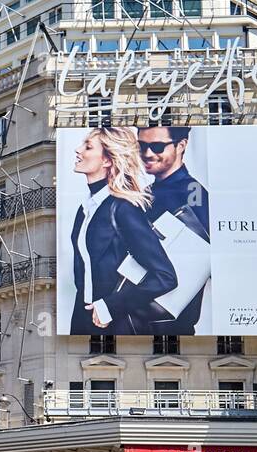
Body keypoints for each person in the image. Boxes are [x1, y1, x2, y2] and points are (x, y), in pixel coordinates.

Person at [69, 126, 178, 336]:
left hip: (114, 323)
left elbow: (165, 277)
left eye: (88, 147)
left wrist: (110, 306)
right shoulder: (85, 210)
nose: (78, 150)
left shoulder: (122, 208)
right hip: (82, 319)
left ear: (107, 160)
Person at [137, 125, 211, 336]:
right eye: (141, 146)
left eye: (158, 146)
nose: (147, 154)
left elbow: (205, 256)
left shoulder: (192, 191)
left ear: (181, 146)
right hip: (134, 314)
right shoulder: (144, 194)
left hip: (170, 320)